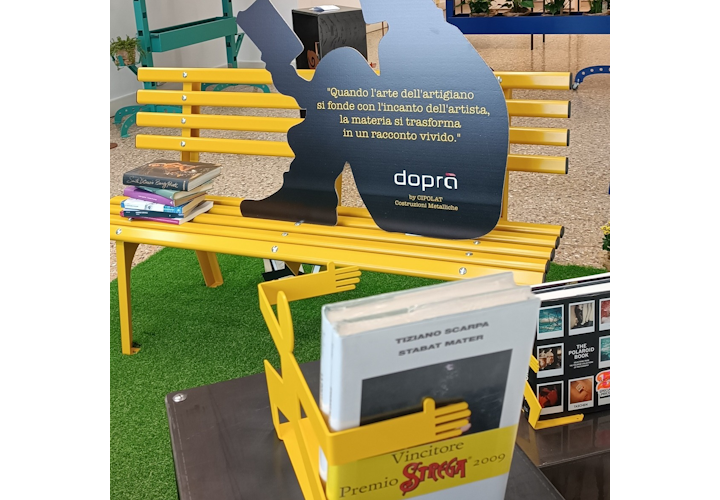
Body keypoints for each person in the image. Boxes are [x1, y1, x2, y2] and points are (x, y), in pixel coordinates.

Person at [235, 0, 510, 240]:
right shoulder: (432, 35)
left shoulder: (409, 42)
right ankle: (308, 196)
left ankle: (308, 197)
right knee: (342, 75)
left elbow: (382, 115)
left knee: (342, 65)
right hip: (453, 202)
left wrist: (284, 65)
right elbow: (368, 109)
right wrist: (280, 65)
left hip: (428, 199)